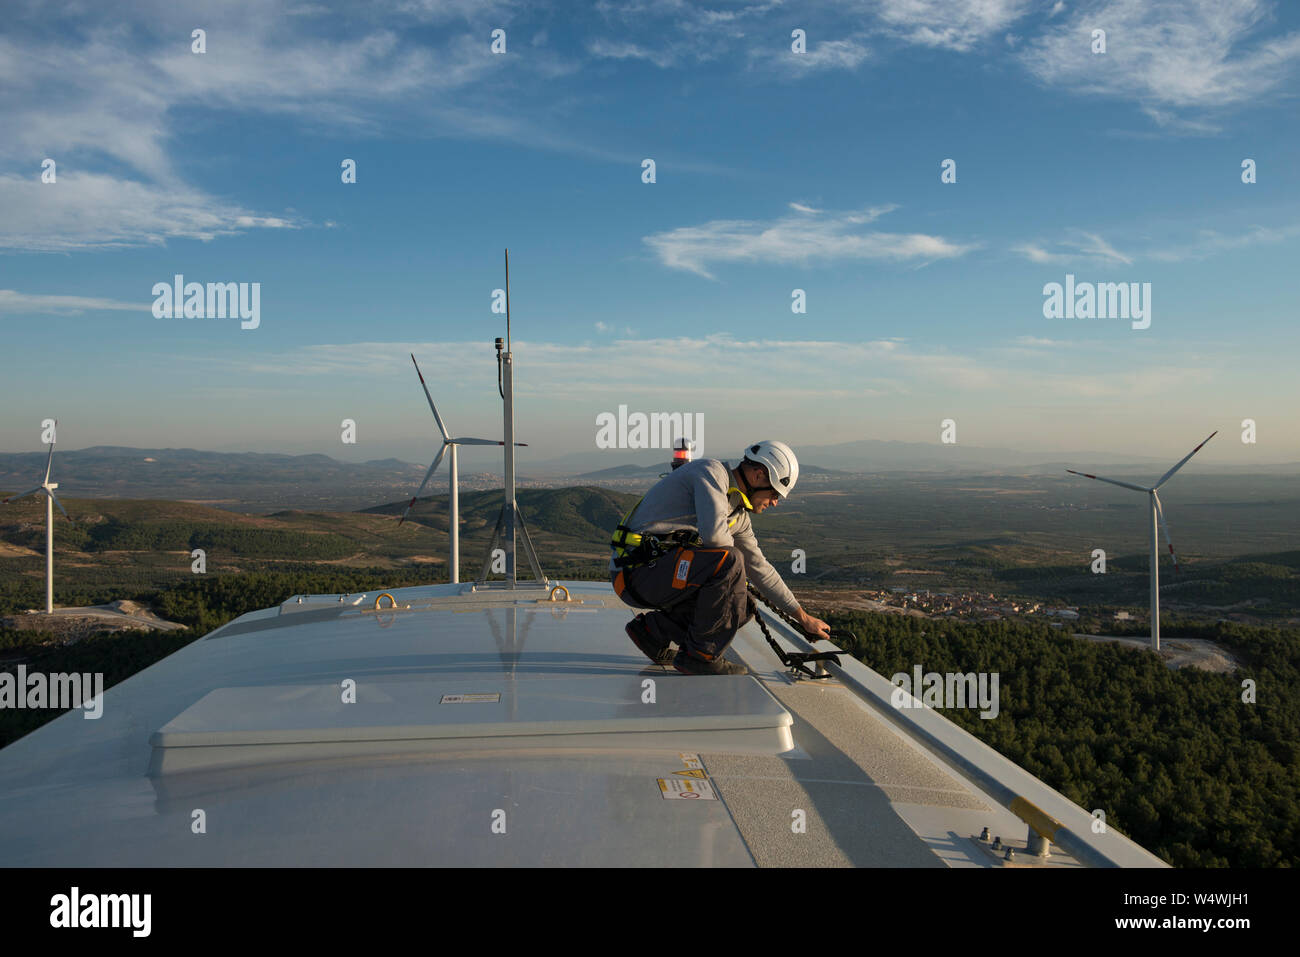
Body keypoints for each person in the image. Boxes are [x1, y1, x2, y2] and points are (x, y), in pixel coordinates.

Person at [610, 440, 831, 675]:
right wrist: (734, 579)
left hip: (658, 575)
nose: (775, 502)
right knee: (730, 562)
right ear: (758, 475)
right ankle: (700, 656)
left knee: (742, 604)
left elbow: (759, 568)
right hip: (635, 574)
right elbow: (716, 540)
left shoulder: (738, 516)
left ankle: (653, 633)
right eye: (775, 493)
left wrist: (802, 617)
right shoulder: (711, 473)